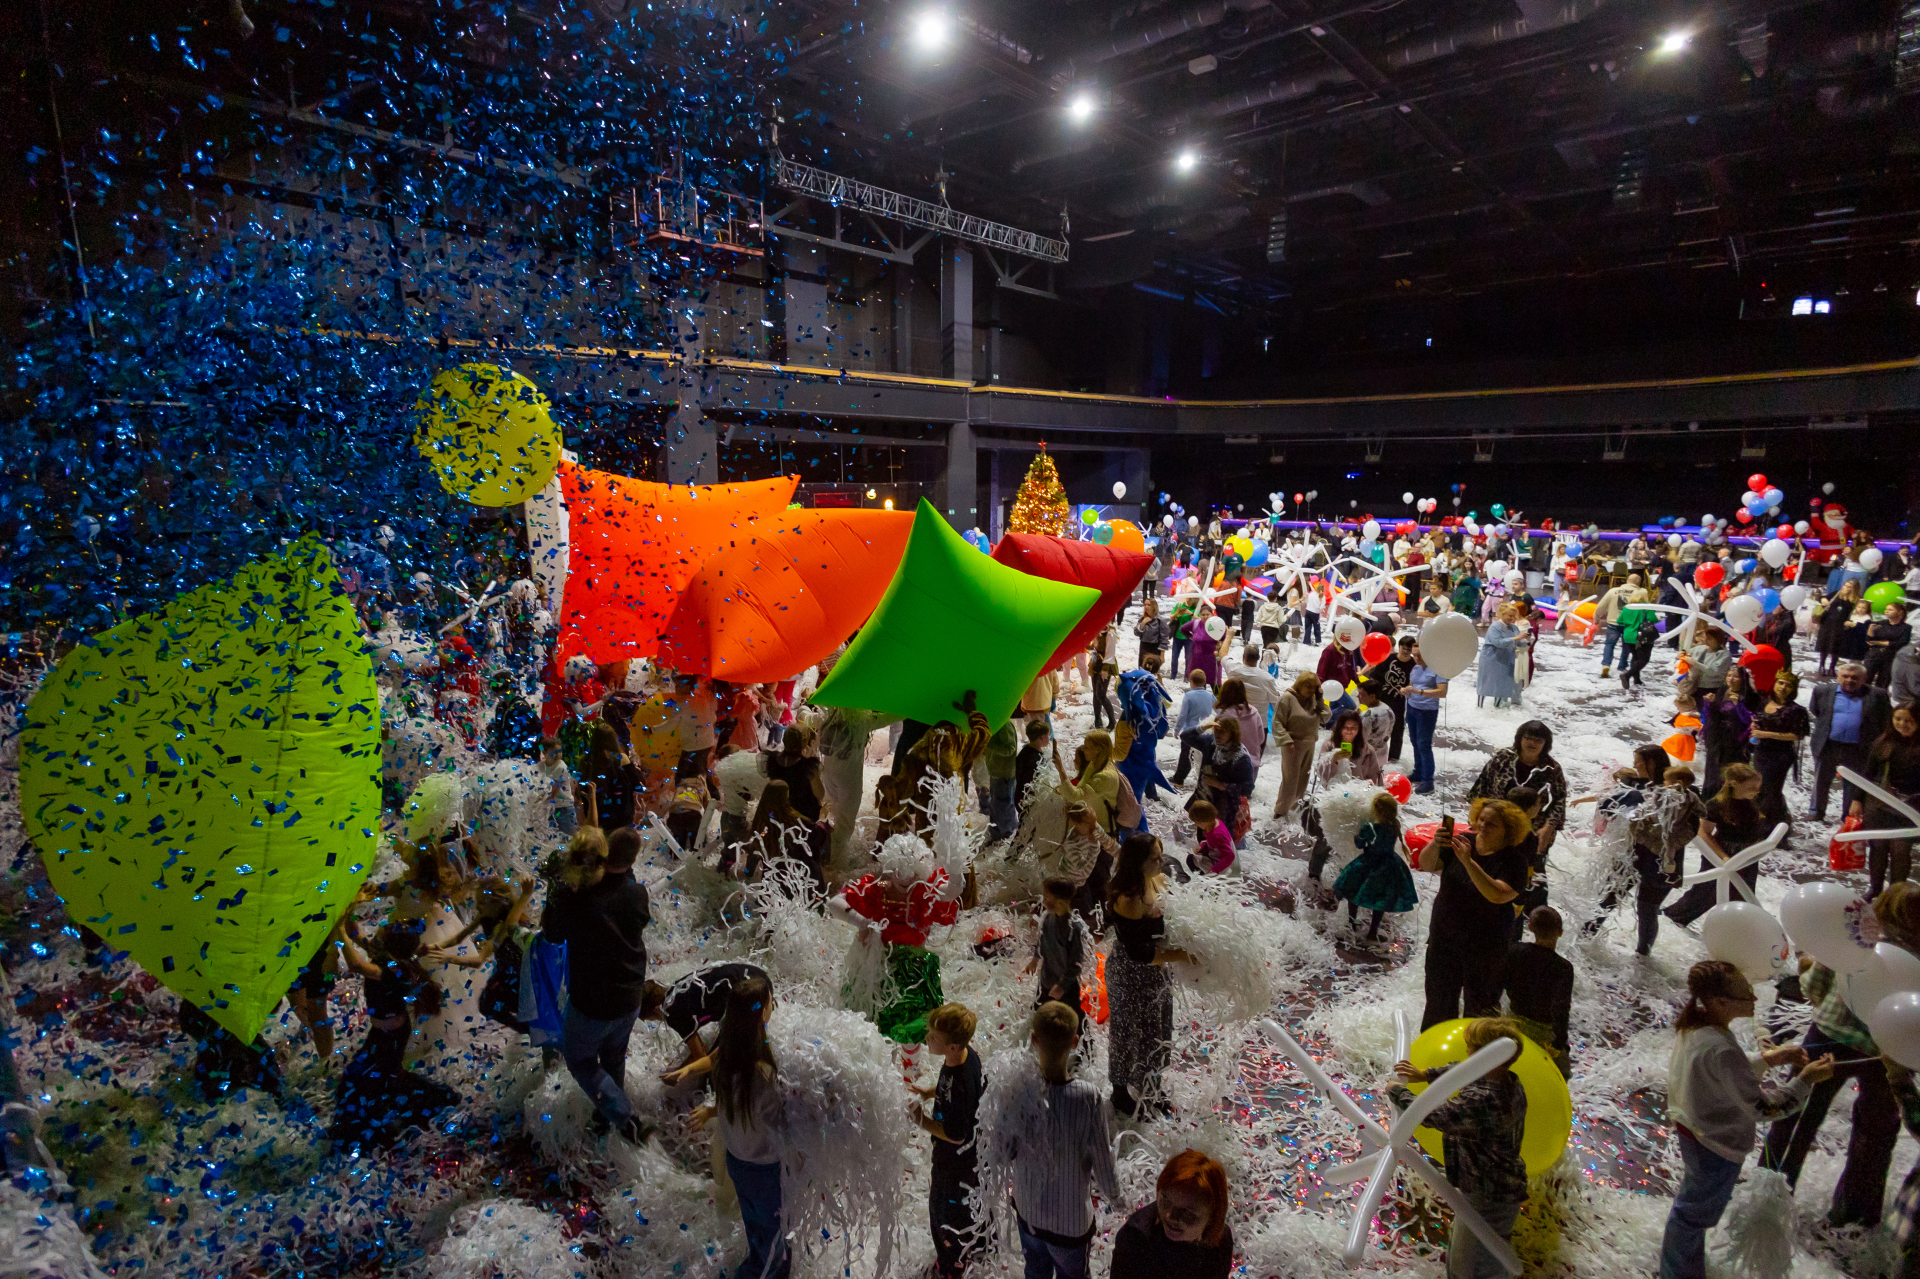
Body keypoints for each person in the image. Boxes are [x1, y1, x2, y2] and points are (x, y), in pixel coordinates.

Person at [1660, 960, 1831, 1279]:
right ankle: (1677, 1272)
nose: (1753, 998)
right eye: (1745, 994)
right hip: (1716, 1145)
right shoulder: (1720, 1047)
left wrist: (1771, 1058)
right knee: (1692, 1217)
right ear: (1720, 1002)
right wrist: (1806, 1079)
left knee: (1692, 1209)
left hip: (1694, 1130)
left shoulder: (1697, 1026)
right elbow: (1765, 1109)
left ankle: (1683, 1265)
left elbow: (1725, 1070)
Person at [1390, 1018, 1530, 1279]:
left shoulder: (1486, 1099)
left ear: (1491, 1058)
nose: (1467, 1051)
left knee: (1474, 1264)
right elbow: (1461, 1070)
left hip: (1490, 1193)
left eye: (1472, 1047)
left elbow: (1437, 1115)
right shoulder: (1504, 1079)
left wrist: (1398, 1093)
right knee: (1474, 1248)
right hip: (1489, 1185)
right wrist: (1425, 1074)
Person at [543, 824, 653, 1142]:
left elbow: (551, 935)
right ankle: (606, 1118)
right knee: (614, 1057)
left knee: (580, 1060)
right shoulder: (637, 892)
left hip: (592, 1004)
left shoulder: (576, 899)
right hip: (630, 996)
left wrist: (556, 892)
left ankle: (627, 1120)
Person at [1007, 1001, 1122, 1279]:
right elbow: (1102, 1158)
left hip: (1028, 1213)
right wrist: (1116, 1197)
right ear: (1075, 1041)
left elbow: (1006, 1149)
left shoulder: (1020, 1090)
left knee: (1035, 1271)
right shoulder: (1088, 1097)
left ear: (1034, 1040)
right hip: (1069, 1225)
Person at [327, 919, 461, 1150]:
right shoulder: (389, 958)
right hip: (384, 1033)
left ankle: (374, 1129)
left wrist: (339, 931)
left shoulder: (392, 970)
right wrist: (349, 924)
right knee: (379, 1078)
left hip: (390, 1037)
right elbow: (361, 938)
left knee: (372, 1079)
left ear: (391, 946)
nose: (376, 938)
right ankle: (367, 1124)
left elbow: (357, 965)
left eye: (381, 935)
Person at [692, 975, 789, 1279]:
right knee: (774, 1233)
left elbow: (726, 1107)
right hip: (765, 1169)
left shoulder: (724, 1058)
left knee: (755, 1223)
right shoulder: (762, 1074)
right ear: (763, 1014)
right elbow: (778, 1128)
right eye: (770, 1003)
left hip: (738, 1161)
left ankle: (759, 1264)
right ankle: (766, 1272)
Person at [1416, 801, 1529, 1030]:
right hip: (1444, 939)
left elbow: (1497, 894)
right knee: (1438, 1003)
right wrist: (1435, 844)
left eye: (1492, 824)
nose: (1483, 826)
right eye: (1482, 819)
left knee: (1480, 1009)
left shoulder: (1515, 860)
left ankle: (1477, 1051)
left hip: (1485, 948)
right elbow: (1426, 864)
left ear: (1507, 830)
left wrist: (1468, 862)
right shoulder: (1463, 841)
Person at [1107, 833, 1194, 1118]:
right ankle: (1120, 1092)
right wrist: (1181, 955)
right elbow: (1138, 953)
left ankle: (1152, 1086)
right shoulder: (1130, 898)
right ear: (1138, 862)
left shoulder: (1156, 879)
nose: (1161, 861)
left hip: (1155, 972)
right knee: (1127, 1033)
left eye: (1160, 854)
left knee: (1156, 1031)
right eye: (1154, 858)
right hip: (1130, 974)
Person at [1589, 765, 1704, 956]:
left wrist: (1647, 837)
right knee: (1643, 909)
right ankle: (1642, 954)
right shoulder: (1690, 805)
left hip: (1641, 858)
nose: (1663, 784)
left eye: (1666, 781)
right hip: (1660, 864)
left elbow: (1612, 808)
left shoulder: (1660, 797)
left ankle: (1587, 934)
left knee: (1618, 900)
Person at [912, 1003, 985, 1279]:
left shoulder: (961, 1081)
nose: (927, 1039)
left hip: (954, 1163)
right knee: (965, 1206)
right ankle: (975, 1245)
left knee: (944, 1211)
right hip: (967, 1160)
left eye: (933, 1037)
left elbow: (956, 1135)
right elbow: (947, 1087)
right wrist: (929, 1092)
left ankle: (951, 1264)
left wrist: (921, 1120)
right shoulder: (965, 1057)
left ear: (952, 1046)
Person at [1664, 765, 1771, 929]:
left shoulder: (1754, 803)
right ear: (1734, 784)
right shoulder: (1717, 805)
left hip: (1746, 857)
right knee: (1705, 893)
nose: (1757, 791)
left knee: (1743, 895)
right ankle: (1672, 917)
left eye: (1758, 787)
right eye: (1751, 787)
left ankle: (1737, 929)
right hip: (1721, 855)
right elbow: (1703, 832)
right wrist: (1723, 856)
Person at [1109, 1149, 1234, 1279]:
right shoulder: (1136, 1239)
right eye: (1166, 1202)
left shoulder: (1220, 1241)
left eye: (1187, 1213)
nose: (1172, 1216)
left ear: (1213, 1216)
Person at [647, 961, 773, 1074]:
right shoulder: (675, 989)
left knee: (718, 1069)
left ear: (656, 1009)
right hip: (758, 978)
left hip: (756, 996)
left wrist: (678, 1073)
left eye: (651, 1019)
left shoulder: (672, 1012)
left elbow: (701, 1056)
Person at [1466, 721, 1568, 856]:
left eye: (1538, 740)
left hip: (1533, 830)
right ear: (1520, 738)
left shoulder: (1552, 768)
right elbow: (1482, 785)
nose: (1532, 743)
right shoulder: (1503, 757)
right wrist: (1475, 818)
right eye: (1528, 738)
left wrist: (1548, 827)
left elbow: (1559, 800)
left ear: (1546, 744)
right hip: (1497, 824)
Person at [1331, 793, 1417, 946]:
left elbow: (1360, 844)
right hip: (1389, 864)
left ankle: (1352, 924)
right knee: (1380, 900)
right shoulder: (1395, 825)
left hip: (1369, 862)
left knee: (1352, 891)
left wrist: (1357, 834)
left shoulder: (1371, 827)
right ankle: (1372, 933)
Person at [1810, 662, 1892, 821]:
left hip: (1859, 748)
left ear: (1864, 679)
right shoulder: (1822, 691)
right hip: (1828, 745)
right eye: (1845, 676)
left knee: (1853, 784)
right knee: (1821, 780)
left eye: (1854, 677)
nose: (1849, 680)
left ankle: (1848, 816)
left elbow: (1885, 719)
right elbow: (1816, 710)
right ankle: (1816, 812)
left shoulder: (1877, 695)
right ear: (1838, 676)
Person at [1503, 906, 1573, 1076]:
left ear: (1530, 927)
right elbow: (1561, 1008)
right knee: (1563, 1074)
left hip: (1512, 1022)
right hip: (1543, 1032)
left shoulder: (1515, 951)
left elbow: (1500, 984)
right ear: (1560, 932)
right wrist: (1560, 1043)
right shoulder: (1563, 967)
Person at [1859, 705, 1920, 898]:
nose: (1902, 724)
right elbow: (1867, 774)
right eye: (1898, 719)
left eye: (1908, 720)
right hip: (1880, 806)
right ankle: (1875, 889)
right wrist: (1856, 800)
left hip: (1910, 809)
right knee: (1877, 848)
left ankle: (1895, 895)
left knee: (1900, 851)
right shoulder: (1883, 742)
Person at [1749, 671, 1810, 828]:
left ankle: (1774, 826)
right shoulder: (1764, 702)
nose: (1783, 687)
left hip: (1780, 755)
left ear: (1793, 689)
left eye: (1788, 685)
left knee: (1771, 790)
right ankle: (1761, 822)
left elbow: (1795, 735)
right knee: (1760, 788)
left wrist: (1766, 734)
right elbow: (1758, 719)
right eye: (1780, 683)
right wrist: (1754, 726)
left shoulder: (1796, 710)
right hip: (1761, 752)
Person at [1024, 877, 1090, 1019]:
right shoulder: (1048, 919)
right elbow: (1042, 942)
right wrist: (1035, 960)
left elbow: (1076, 963)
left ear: (1060, 902)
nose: (1043, 901)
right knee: (1039, 1015)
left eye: (1047, 898)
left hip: (1066, 988)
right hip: (1047, 980)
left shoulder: (1074, 928)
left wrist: (1062, 985)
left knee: (1069, 1018)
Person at [1272, 672, 1326, 822]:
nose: (1311, 690)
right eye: (1308, 686)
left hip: (1310, 743)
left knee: (1303, 780)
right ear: (1300, 684)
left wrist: (1320, 699)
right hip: (1293, 744)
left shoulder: (1314, 700)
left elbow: (1326, 717)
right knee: (1290, 781)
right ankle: (1280, 811)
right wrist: (1286, 741)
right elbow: (1277, 722)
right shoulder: (1287, 698)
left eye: (1314, 687)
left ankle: (1295, 810)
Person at [1192, 717, 1256, 843]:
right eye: (1216, 730)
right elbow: (1186, 736)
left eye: (1222, 731)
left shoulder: (1241, 757)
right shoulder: (1211, 743)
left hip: (1227, 809)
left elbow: (1247, 789)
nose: (1218, 734)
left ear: (1232, 733)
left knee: (1221, 842)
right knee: (1203, 838)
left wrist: (1220, 785)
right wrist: (1204, 727)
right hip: (1207, 801)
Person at [582, 722, 642, 831]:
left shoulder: (586, 762)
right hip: (622, 819)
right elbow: (638, 786)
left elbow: (582, 793)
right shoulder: (621, 759)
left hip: (597, 819)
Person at [1406, 642, 1447, 795]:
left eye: (1419, 655)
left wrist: (1420, 692)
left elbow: (1442, 692)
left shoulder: (1438, 669)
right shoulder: (1415, 668)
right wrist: (1407, 691)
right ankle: (1418, 772)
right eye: (1414, 655)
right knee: (1414, 741)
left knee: (1424, 744)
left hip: (1427, 711)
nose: (1416, 658)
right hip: (1412, 707)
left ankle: (1428, 781)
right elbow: (1412, 686)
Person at [1593, 572, 1651, 678]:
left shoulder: (1613, 591)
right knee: (1627, 646)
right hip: (1631, 624)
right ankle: (1622, 666)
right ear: (1639, 582)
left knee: (1609, 644)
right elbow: (1647, 608)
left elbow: (1601, 606)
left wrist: (1596, 618)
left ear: (1627, 581)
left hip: (1613, 623)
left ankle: (1606, 665)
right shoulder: (1642, 592)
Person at [763, 726, 825, 824]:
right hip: (804, 817)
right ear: (803, 743)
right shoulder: (808, 766)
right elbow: (820, 794)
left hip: (780, 813)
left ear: (784, 741)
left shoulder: (772, 761)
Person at [1169, 671, 1216, 787]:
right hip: (1206, 731)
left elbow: (1183, 715)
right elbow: (1219, 711)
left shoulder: (1189, 696)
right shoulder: (1211, 696)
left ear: (1191, 682)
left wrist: (1177, 729)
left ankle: (1179, 779)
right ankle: (1203, 780)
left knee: (1185, 756)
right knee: (1203, 757)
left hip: (1190, 732)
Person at [1476, 603, 1525, 709]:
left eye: (1514, 616)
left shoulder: (1514, 628)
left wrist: (1526, 641)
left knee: (1502, 683)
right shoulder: (1495, 627)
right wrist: (1515, 639)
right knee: (1486, 682)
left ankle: (1497, 707)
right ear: (1502, 614)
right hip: (1491, 658)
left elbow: (1518, 642)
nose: (1512, 618)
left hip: (1506, 658)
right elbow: (1498, 642)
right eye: (1510, 615)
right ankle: (1480, 707)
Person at [1210, 678, 1265, 768]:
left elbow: (1217, 741)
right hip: (1253, 762)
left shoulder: (1224, 716)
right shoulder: (1254, 712)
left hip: (1231, 763)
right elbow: (1261, 738)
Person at [1815, 580, 1863, 676]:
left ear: (1854, 589)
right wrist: (1823, 600)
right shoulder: (1836, 593)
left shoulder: (1856, 600)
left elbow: (1858, 612)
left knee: (1836, 647)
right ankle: (1822, 665)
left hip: (1841, 625)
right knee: (1824, 644)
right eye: (1845, 585)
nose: (1846, 588)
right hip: (1827, 622)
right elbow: (1822, 598)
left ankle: (1832, 667)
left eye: (1849, 587)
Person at [539, 736, 579, 835]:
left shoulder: (561, 767)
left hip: (564, 809)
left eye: (560, 751)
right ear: (544, 752)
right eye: (554, 751)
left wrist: (538, 801)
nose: (559, 754)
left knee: (569, 837)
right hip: (552, 808)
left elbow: (553, 792)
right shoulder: (542, 765)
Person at [1870, 602, 1915, 690]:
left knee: (1883, 682)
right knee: (1866, 677)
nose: (1886, 611)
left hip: (1891, 657)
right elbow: (1871, 639)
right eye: (1886, 609)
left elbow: (1903, 643)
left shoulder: (1906, 627)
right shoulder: (1881, 623)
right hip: (1874, 654)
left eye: (1890, 610)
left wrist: (1883, 643)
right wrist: (1871, 630)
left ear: (1899, 612)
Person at [1186, 799, 1237, 875]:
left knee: (1190, 860)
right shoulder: (1215, 822)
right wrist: (1204, 847)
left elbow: (1230, 856)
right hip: (1216, 855)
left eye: (1197, 822)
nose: (1196, 825)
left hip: (1223, 865)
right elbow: (1214, 843)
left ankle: (1203, 877)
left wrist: (1214, 871)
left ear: (1204, 821)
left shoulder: (1217, 835)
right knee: (1193, 856)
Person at [1016, 718, 1051, 808]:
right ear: (1042, 738)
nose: (1049, 738)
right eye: (1048, 735)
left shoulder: (1026, 750)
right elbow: (1031, 780)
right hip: (1027, 799)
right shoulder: (1035, 758)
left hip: (1020, 795)